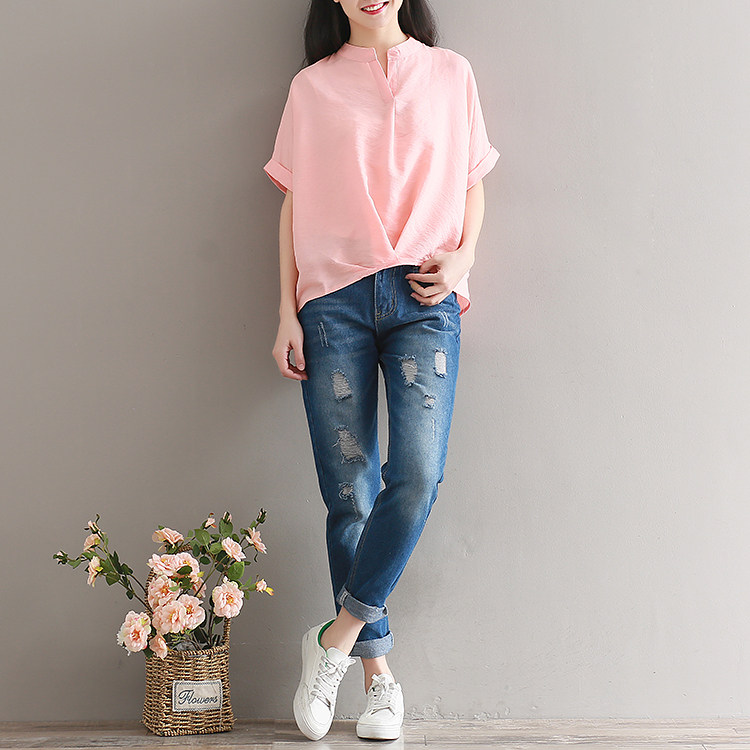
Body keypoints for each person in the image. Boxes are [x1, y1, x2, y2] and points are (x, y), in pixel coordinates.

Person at [263, 0, 499, 741]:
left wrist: (463, 258)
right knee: (349, 496)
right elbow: (293, 203)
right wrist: (285, 311)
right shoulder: (311, 87)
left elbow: (471, 180)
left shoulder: (451, 74)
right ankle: (379, 681)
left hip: (424, 297)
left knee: (418, 475)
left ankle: (333, 639)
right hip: (331, 301)